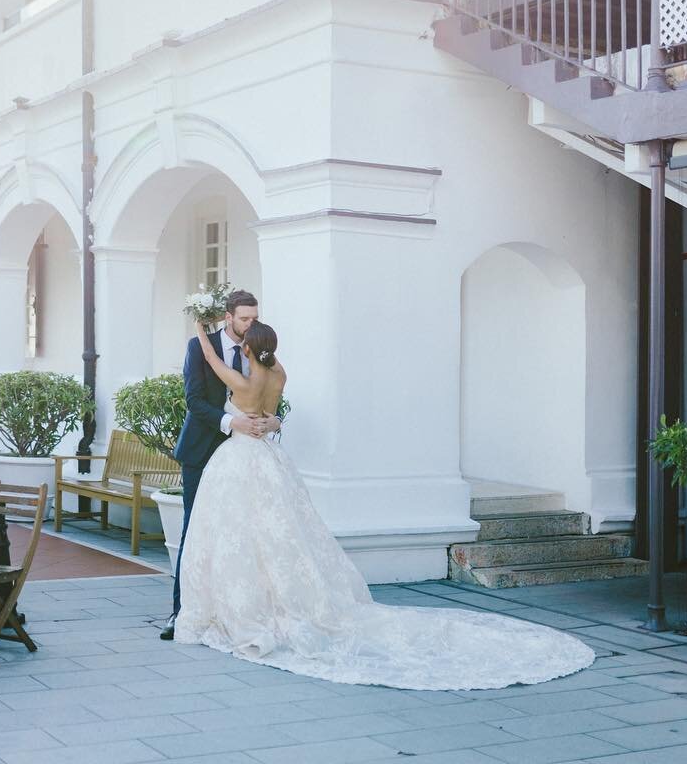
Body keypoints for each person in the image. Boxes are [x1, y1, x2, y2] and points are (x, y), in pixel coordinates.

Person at [172, 317, 597, 690]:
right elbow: (274, 408)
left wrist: (198, 332)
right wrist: (272, 417)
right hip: (270, 458)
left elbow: (212, 363)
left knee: (236, 531)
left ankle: (238, 605)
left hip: (240, 457)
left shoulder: (242, 379)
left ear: (248, 347)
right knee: (282, 533)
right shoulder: (278, 373)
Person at [161, 289, 280, 641]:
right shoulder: (199, 347)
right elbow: (194, 401)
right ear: (228, 317)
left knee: (244, 533)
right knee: (194, 530)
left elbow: (272, 400)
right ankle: (181, 612)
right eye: (245, 318)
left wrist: (273, 423)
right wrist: (232, 424)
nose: (251, 324)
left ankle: (237, 609)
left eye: (255, 318)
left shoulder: (262, 348)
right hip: (203, 451)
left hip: (247, 457)